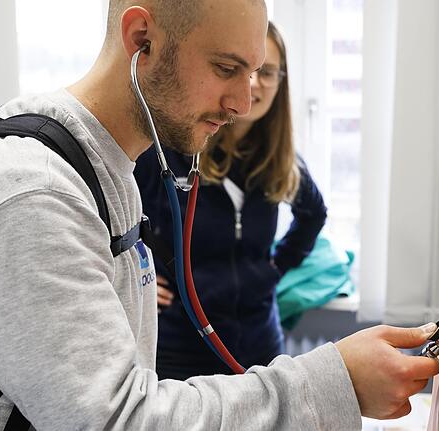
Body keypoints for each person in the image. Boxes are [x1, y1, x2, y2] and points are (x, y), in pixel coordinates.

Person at [0, 1, 439, 429]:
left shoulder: (108, 171)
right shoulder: (28, 197)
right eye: (227, 68)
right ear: (142, 40)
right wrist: (335, 382)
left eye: (254, 74)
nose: (243, 103)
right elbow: (113, 420)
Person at [134, 22, 326, 380]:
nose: (252, 84)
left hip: (261, 345)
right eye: (237, 70)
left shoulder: (282, 160)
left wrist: (271, 271)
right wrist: (139, 270)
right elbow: (114, 216)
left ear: (281, 82)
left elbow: (313, 215)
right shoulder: (170, 150)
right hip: (181, 349)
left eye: (266, 72)